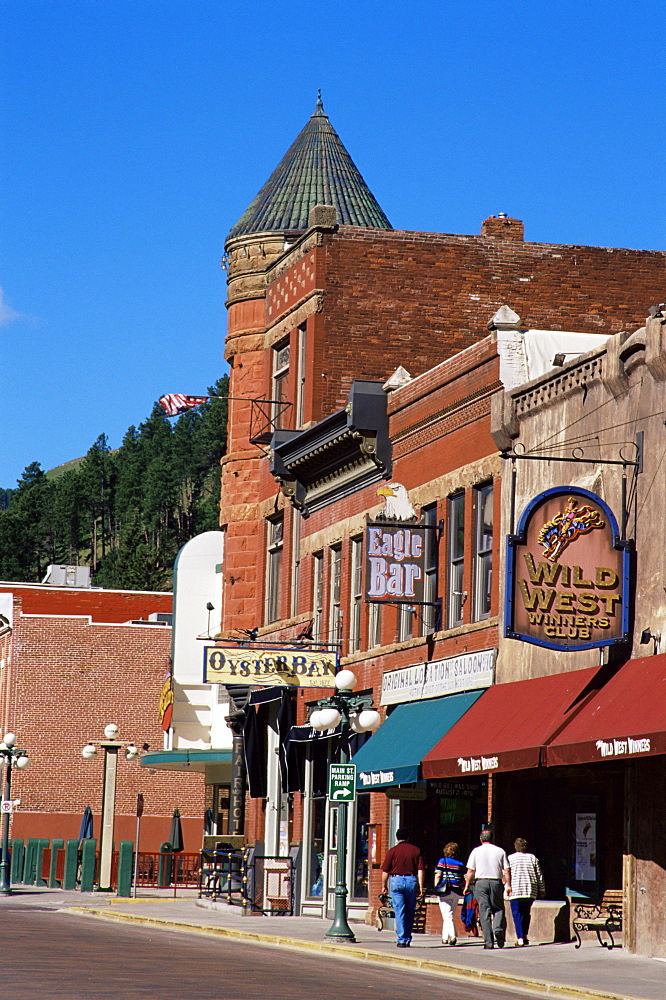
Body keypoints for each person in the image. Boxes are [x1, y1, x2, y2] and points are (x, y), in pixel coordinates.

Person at [463, 829, 511, 949]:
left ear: (480, 839)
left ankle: (488, 942)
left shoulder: (475, 851)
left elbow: (470, 871)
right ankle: (498, 929)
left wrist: (467, 885)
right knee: (498, 908)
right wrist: (509, 885)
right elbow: (507, 870)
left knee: (484, 911)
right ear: (492, 838)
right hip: (496, 882)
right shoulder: (500, 851)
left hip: (481, 882)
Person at [381, 827, 425, 948]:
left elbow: (385, 871)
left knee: (399, 910)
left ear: (397, 837)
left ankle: (401, 938)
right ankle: (407, 937)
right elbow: (420, 869)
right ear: (408, 837)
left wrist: (383, 885)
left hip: (396, 880)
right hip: (411, 880)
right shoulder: (416, 850)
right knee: (410, 910)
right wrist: (421, 885)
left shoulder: (392, 851)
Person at [507, 837, 545, 946]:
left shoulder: (510, 858)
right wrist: (542, 889)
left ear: (515, 846)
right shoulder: (532, 858)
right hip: (530, 889)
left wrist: (506, 885)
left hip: (516, 889)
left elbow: (506, 873)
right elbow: (539, 875)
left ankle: (520, 938)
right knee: (526, 913)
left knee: (516, 913)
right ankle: (525, 935)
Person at [434, 842, 465, 945]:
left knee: (447, 916)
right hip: (456, 891)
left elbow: (438, 875)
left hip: (445, 891)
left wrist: (436, 886)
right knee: (449, 914)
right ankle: (444, 938)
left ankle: (452, 936)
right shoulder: (460, 864)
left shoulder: (442, 861)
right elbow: (462, 879)